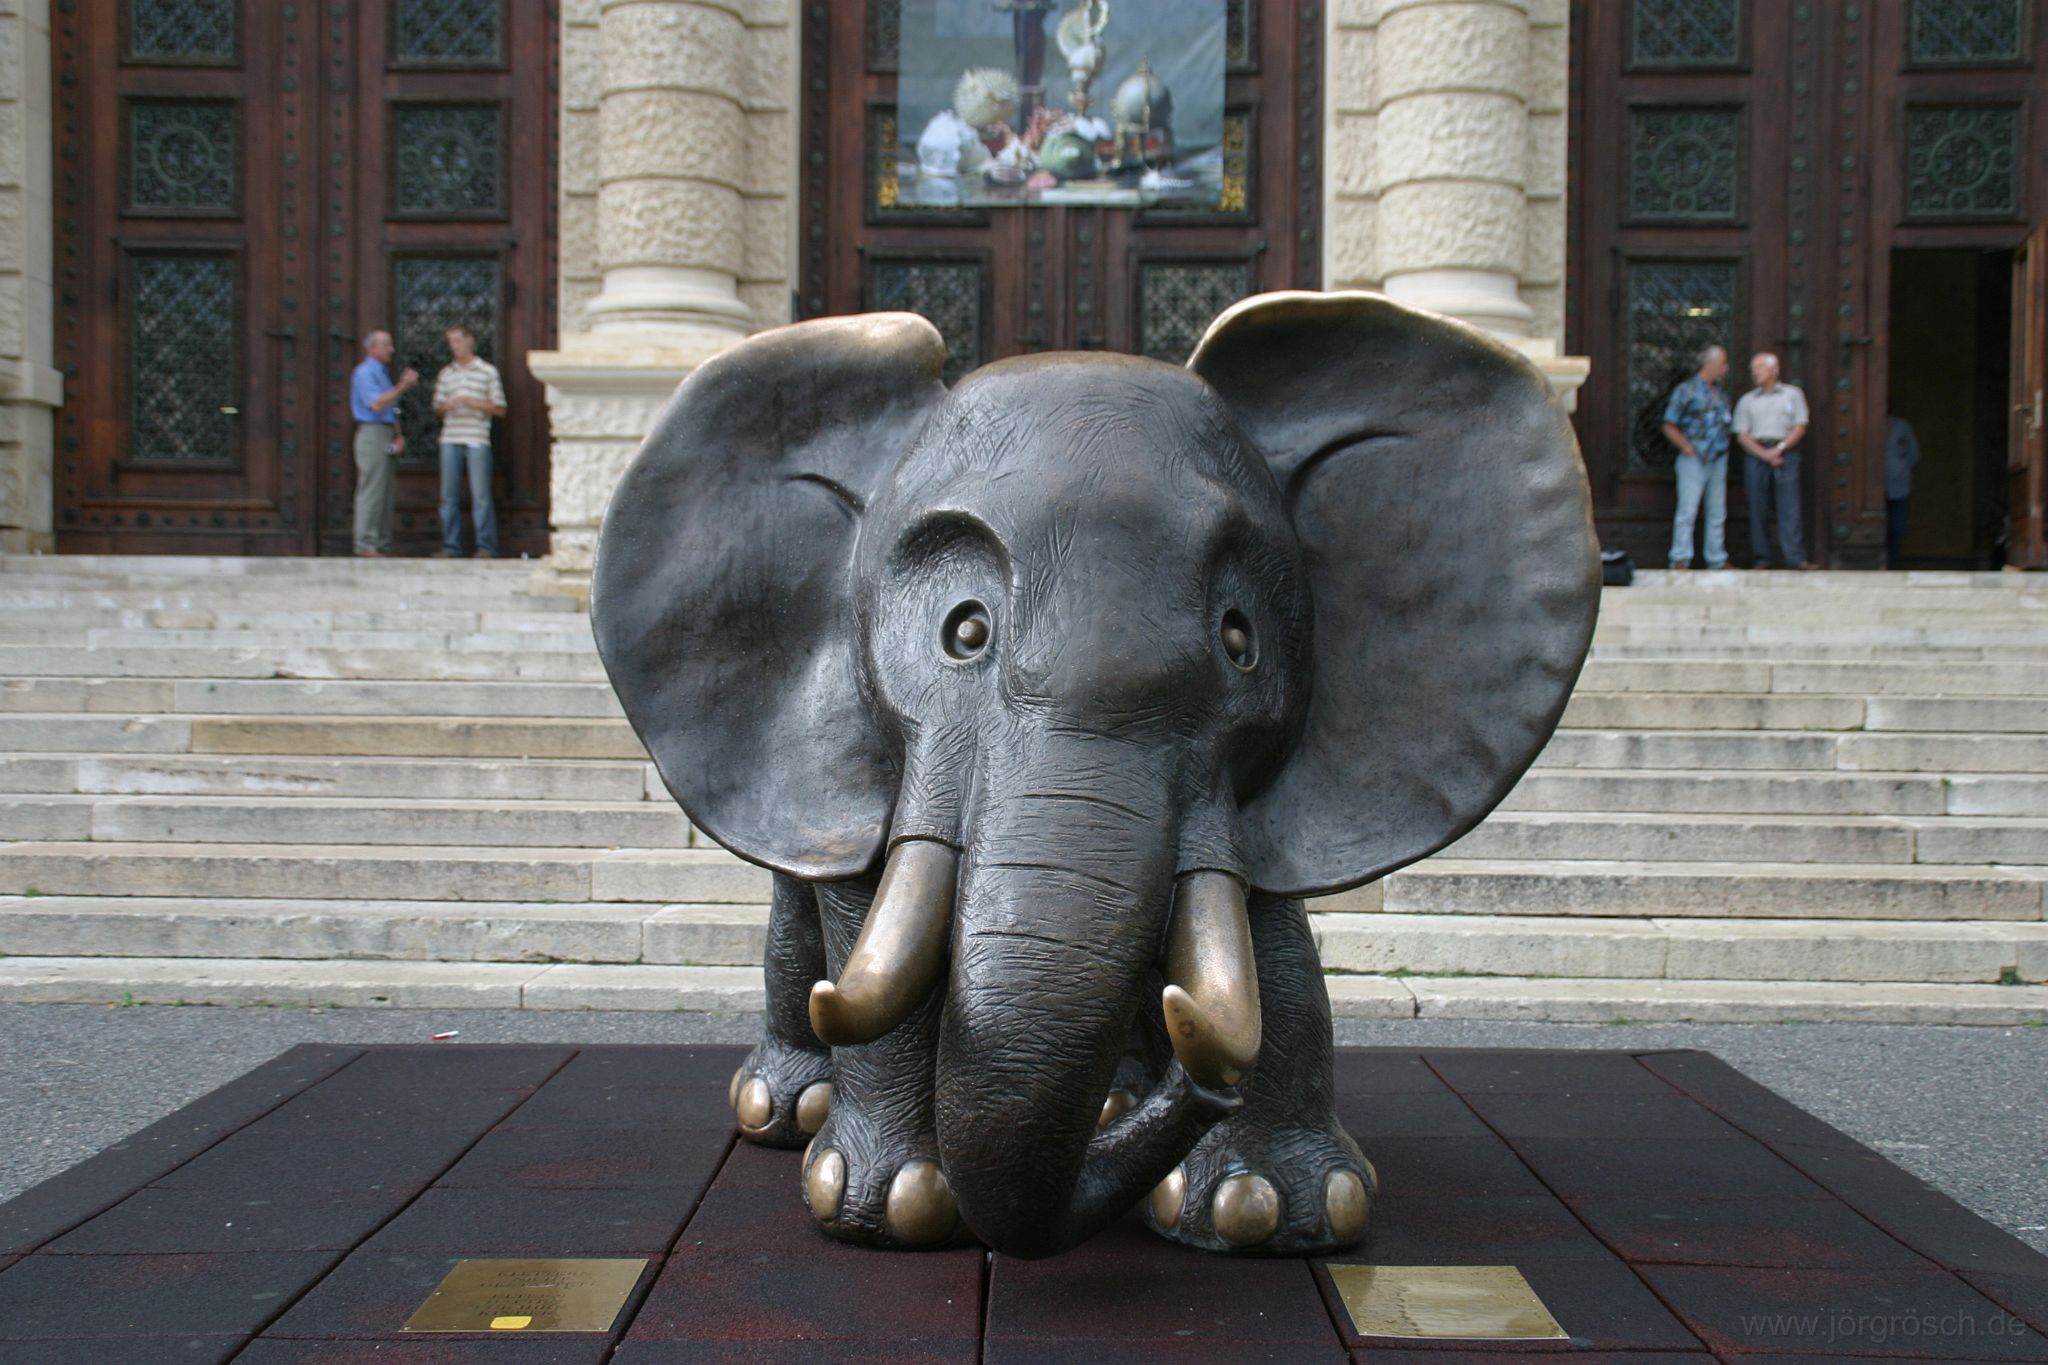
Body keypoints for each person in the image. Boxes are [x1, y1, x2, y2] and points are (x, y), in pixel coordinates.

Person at [1734, 352, 1816, 570]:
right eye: (1753, 369)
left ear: (1774, 369)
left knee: (1789, 506)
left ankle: (1795, 558)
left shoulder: (1792, 394)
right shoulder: (1747, 400)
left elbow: (1800, 426)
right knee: (1757, 507)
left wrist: (1779, 449)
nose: (1755, 373)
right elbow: (1742, 434)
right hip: (1756, 454)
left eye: (1759, 368)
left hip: (1785, 452)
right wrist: (1764, 454)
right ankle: (1762, 558)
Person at [431, 324, 507, 559]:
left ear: (469, 340)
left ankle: (486, 547)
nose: (454, 346)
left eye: (458, 340)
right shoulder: (447, 374)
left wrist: (471, 402)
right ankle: (451, 546)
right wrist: (447, 406)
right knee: (448, 495)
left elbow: (500, 408)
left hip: (477, 438)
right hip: (450, 438)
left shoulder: (487, 372)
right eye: (451, 342)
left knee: (481, 495)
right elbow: (437, 408)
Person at [1660, 345, 1733, 571]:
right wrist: (1685, 447)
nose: (1726, 369)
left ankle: (1716, 558)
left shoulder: (1720, 394)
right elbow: (1669, 424)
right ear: (1710, 364)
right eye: (1723, 364)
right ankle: (1680, 558)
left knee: (1717, 511)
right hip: (1693, 459)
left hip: (1718, 459)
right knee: (1688, 510)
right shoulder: (1686, 390)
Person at [350, 331, 418, 558]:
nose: (391, 349)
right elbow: (377, 405)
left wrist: (397, 433)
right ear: (372, 349)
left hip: (386, 433)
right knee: (372, 488)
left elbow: (391, 408)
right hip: (372, 433)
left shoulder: (381, 373)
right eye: (386, 345)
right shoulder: (365, 373)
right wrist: (402, 386)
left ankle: (380, 543)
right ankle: (366, 543)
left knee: (385, 491)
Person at [1885, 413, 1921, 569]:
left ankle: (1890, 562)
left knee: (1897, 526)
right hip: (1867, 492)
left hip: (1898, 485)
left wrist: (1899, 468)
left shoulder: (1902, 426)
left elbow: (1914, 455)